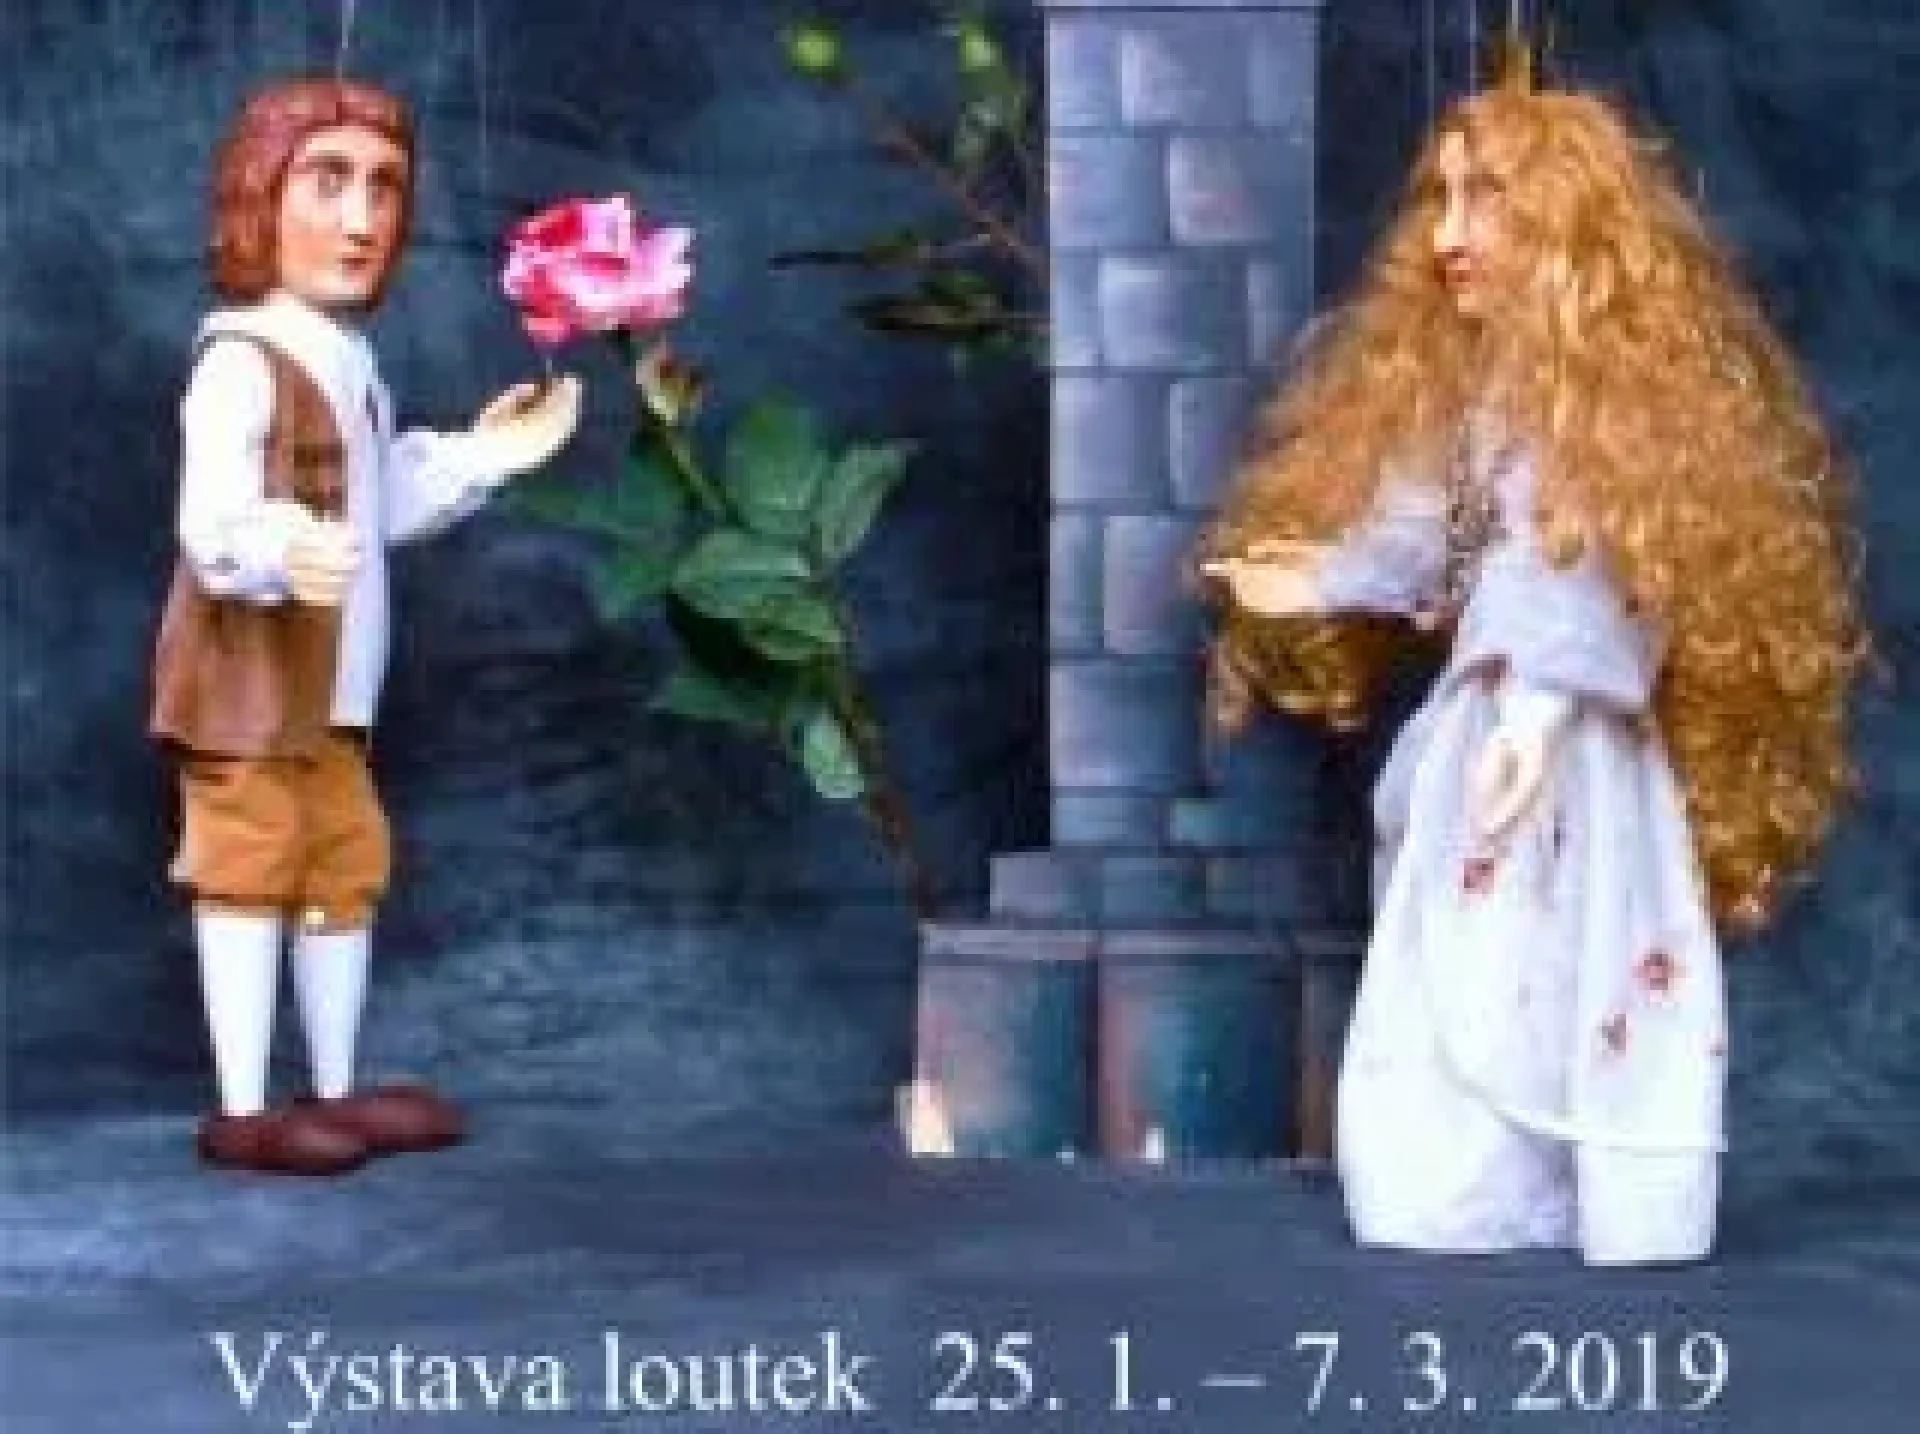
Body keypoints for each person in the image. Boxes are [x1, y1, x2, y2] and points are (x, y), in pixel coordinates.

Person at [1199, 71, 1865, 1263]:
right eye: (1443, 202)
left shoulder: (1608, 411)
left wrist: (1541, 708)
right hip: (1490, 725)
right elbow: (1427, 529)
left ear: (1560, 227)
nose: (1450, 235)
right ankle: (1471, 1184)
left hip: (1567, 737)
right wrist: (1324, 573)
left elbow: (1592, 559)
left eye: (1487, 202)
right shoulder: (1474, 391)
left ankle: (1572, 1185)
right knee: (1472, 959)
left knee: (1572, 952)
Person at [151, 78, 583, 1176]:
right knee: (249, 869)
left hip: (335, 696)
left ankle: (334, 1089)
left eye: (384, 188)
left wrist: (484, 454)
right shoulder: (241, 359)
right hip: (247, 697)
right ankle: (244, 1108)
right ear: (260, 196)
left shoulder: (348, 360)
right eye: (328, 181)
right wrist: (277, 546)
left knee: (342, 866)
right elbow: (213, 524)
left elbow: (379, 495)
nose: (362, 218)